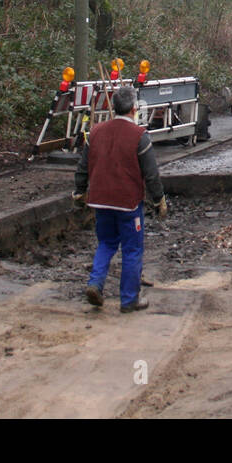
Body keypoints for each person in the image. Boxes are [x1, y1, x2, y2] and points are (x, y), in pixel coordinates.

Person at [73, 85, 166, 312]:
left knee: (106, 243)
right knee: (132, 249)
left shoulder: (95, 132)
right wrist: (158, 200)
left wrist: (79, 191)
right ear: (134, 109)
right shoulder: (139, 136)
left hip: (100, 199)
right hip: (128, 203)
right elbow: (151, 173)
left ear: (114, 108)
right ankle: (129, 299)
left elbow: (83, 167)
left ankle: (95, 283)